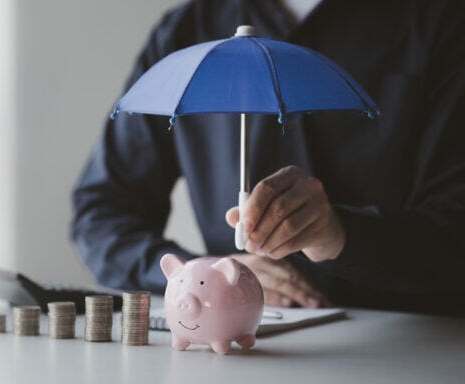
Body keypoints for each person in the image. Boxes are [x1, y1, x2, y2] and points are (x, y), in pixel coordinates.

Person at [70, 0, 465, 314]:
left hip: (410, 346)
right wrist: (198, 274)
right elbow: (100, 213)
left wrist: (340, 235)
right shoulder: (187, 30)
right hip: (235, 342)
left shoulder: (440, 20)